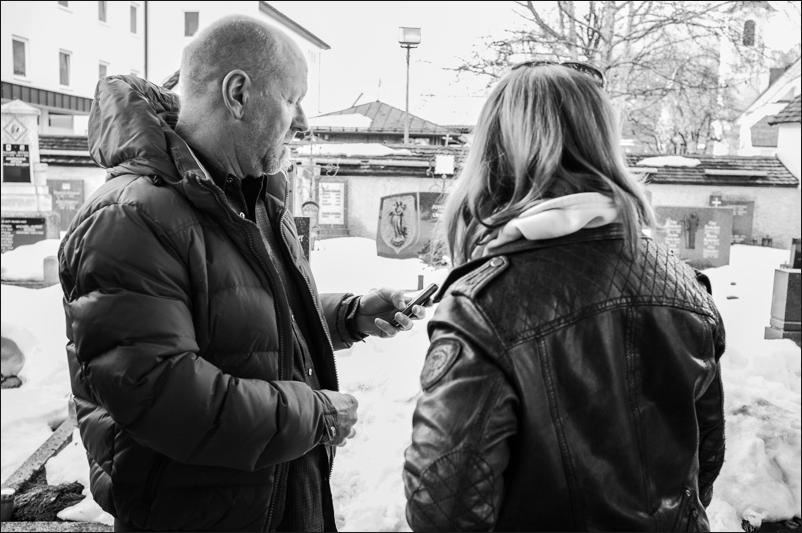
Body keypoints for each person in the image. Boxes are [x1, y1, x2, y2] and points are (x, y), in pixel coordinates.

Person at [59, 15, 424, 532]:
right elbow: (161, 394)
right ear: (237, 94)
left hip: (273, 501)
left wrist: (348, 316)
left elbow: (242, 316)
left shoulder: (248, 195)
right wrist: (314, 415)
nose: (302, 122)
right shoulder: (130, 217)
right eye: (292, 99)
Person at [402, 61, 726, 531]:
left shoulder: (483, 304)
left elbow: (443, 510)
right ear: (602, 144)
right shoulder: (685, 285)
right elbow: (704, 459)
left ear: (494, 152)